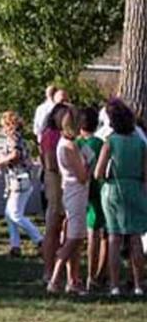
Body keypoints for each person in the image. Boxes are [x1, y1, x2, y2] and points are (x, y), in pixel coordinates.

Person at [94, 98, 147, 296]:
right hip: (135, 188)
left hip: (114, 189)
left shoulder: (111, 142)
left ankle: (114, 284)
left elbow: (98, 172)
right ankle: (138, 285)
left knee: (114, 238)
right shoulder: (140, 142)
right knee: (135, 239)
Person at [49, 106, 90, 294]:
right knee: (73, 238)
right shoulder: (69, 146)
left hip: (72, 190)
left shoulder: (65, 143)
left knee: (77, 237)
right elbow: (82, 175)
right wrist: (90, 163)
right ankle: (55, 279)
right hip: (76, 191)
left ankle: (73, 280)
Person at [0, 110, 43, 257]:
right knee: (10, 214)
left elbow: (15, 154)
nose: (2, 128)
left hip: (18, 179)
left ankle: (40, 240)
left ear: (9, 125)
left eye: (4, 125)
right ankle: (15, 245)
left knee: (14, 214)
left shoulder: (13, 138)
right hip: (21, 178)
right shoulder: (20, 138)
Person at [76, 107, 107, 290]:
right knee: (98, 233)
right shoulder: (100, 143)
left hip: (79, 190)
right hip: (97, 190)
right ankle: (95, 274)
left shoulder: (75, 143)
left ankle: (80, 273)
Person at [40, 102, 70, 284]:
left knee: (65, 226)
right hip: (55, 180)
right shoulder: (51, 135)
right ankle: (48, 269)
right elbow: (50, 163)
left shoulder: (66, 135)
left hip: (65, 179)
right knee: (53, 225)